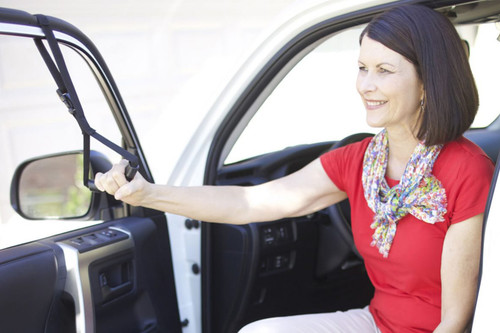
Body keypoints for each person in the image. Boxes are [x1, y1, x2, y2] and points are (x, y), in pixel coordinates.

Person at [95, 4, 494, 333]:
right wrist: (148, 194)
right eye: (362, 67)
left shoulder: (465, 169)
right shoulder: (359, 161)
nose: (365, 85)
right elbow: (248, 203)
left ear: (427, 82)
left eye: (384, 71)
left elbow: (455, 321)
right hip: (378, 324)